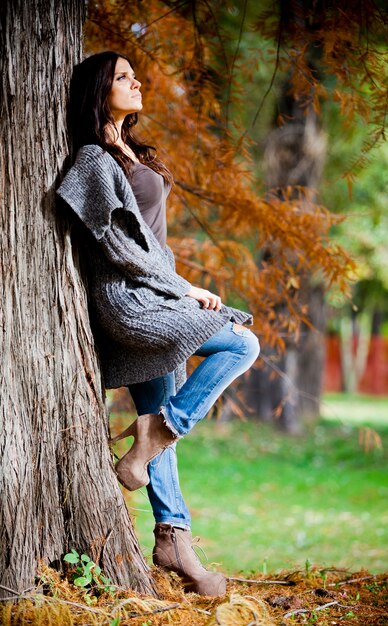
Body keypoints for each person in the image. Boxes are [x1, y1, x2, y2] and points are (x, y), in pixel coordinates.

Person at [57, 51, 260, 597]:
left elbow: (154, 244)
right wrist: (184, 289)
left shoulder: (131, 152)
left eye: (134, 74)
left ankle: (175, 541)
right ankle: (155, 432)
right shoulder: (93, 161)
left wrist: (177, 282)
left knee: (154, 421)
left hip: (157, 293)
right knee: (242, 343)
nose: (136, 81)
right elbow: (118, 247)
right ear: (99, 90)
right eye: (122, 77)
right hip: (132, 302)